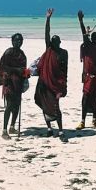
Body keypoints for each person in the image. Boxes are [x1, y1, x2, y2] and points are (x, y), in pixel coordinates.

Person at [34, 8, 68, 142]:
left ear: (59, 43)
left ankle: (60, 130)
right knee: (44, 105)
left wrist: (62, 87)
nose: (54, 43)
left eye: (56, 42)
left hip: (55, 84)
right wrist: (48, 19)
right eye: (52, 42)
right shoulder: (49, 49)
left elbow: (64, 70)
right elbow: (46, 34)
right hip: (44, 82)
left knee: (55, 107)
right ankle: (49, 129)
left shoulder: (63, 53)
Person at [75, 10, 96, 130]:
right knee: (85, 99)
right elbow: (83, 34)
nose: (95, 39)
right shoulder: (87, 46)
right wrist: (81, 21)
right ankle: (82, 121)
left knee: (95, 99)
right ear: (91, 38)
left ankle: (94, 119)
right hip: (88, 77)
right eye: (94, 37)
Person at [0, 33, 28, 139]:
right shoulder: (8, 52)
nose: (19, 42)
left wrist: (25, 74)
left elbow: (23, 68)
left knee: (17, 106)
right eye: (17, 40)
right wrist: (15, 70)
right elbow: (3, 66)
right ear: (12, 41)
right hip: (9, 83)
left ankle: (12, 126)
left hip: (18, 83)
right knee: (9, 106)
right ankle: (4, 131)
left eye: (20, 40)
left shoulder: (22, 54)